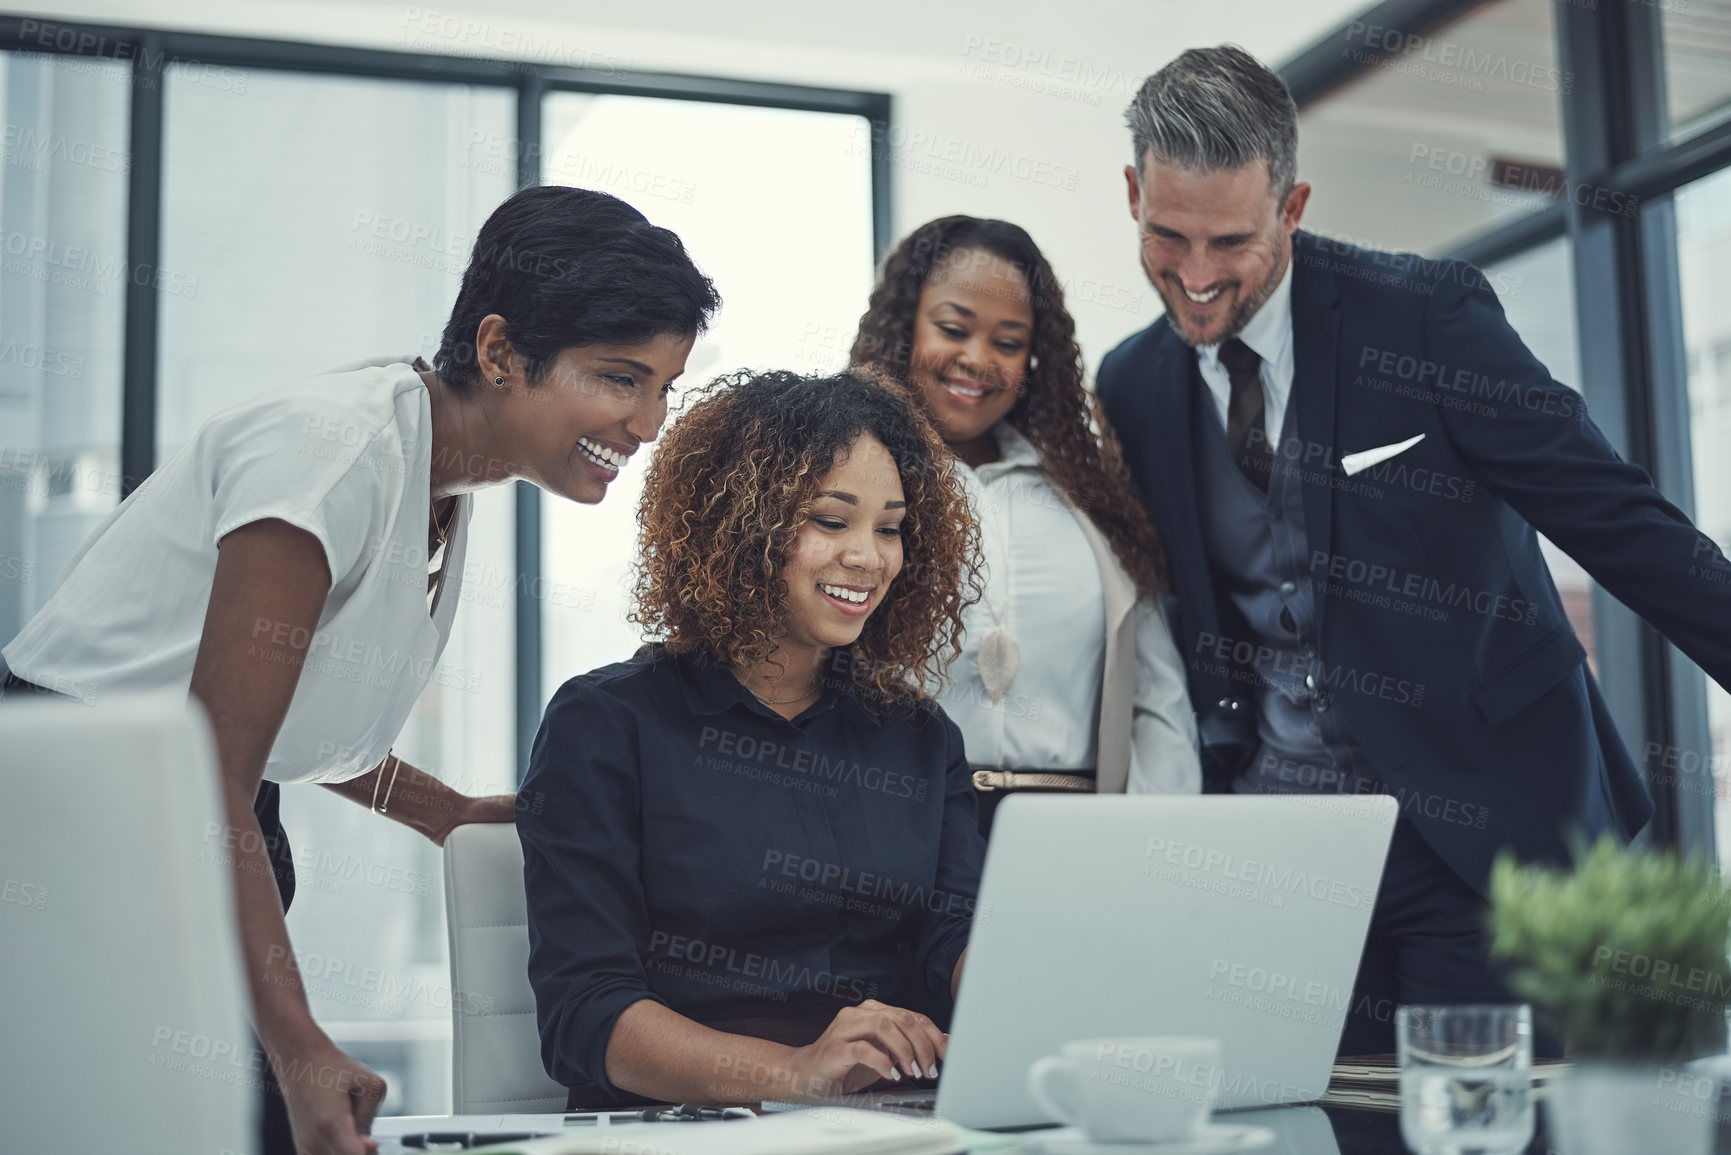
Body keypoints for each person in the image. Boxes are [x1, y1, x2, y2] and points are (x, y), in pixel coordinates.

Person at [0, 185, 719, 1153]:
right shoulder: (332, 453)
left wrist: (444, 812)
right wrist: (300, 1046)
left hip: (198, 815)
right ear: (502, 352)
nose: (648, 421)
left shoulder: (444, 475)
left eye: (666, 385)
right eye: (620, 379)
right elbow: (216, 761)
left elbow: (281, 719)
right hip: (73, 814)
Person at [1095, 45, 1731, 1056]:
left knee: (1480, 1118)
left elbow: (1613, 516)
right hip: (1285, 848)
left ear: (1293, 206)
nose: (1199, 278)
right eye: (1167, 236)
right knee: (1318, 1121)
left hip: (1477, 826)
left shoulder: (1426, 318)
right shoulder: (1130, 385)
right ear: (1132, 193)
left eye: (1232, 242)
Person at [518, 368, 986, 1107]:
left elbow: (948, 945)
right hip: (687, 1118)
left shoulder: (920, 736)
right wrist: (793, 1073)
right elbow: (584, 1012)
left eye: (890, 527)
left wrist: (1029, 988)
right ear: (742, 526)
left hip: (892, 1116)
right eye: (831, 521)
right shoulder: (606, 723)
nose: (868, 556)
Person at [851, 216, 1199, 835]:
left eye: (1008, 343)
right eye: (953, 329)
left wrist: (1152, 852)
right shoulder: (847, 487)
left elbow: (1159, 702)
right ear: (905, 327)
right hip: (899, 833)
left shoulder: (1091, 501)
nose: (978, 359)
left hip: (1073, 845)